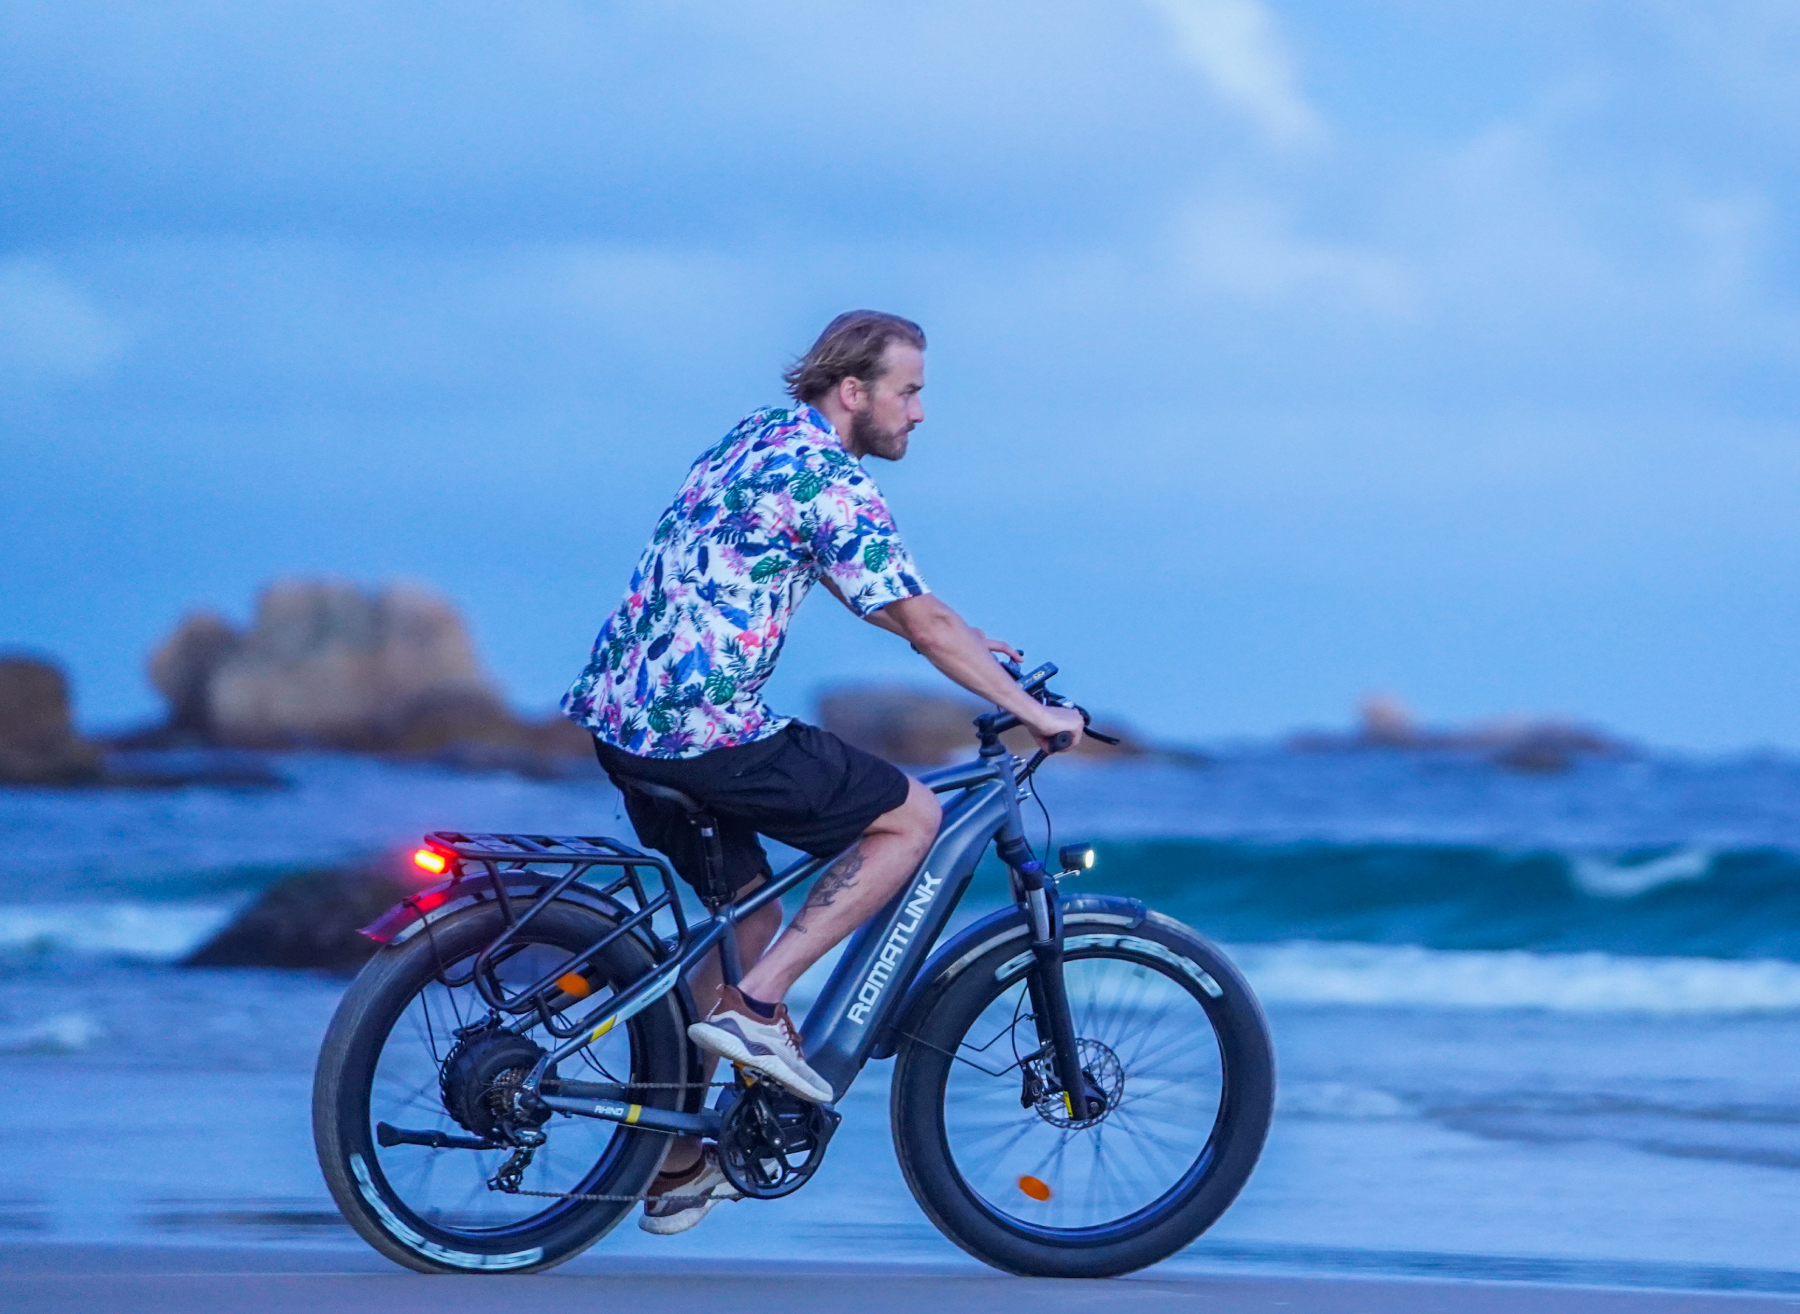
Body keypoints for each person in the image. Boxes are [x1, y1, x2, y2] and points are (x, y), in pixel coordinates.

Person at [561, 310, 1085, 1234]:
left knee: (751, 919)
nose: (919, 413)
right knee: (908, 819)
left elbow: (895, 595)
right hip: (705, 727)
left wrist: (974, 644)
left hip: (623, 719)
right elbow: (913, 623)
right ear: (855, 391)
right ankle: (760, 1011)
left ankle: (676, 1161)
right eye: (910, 391)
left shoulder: (757, 438)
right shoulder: (830, 479)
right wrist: (1036, 712)